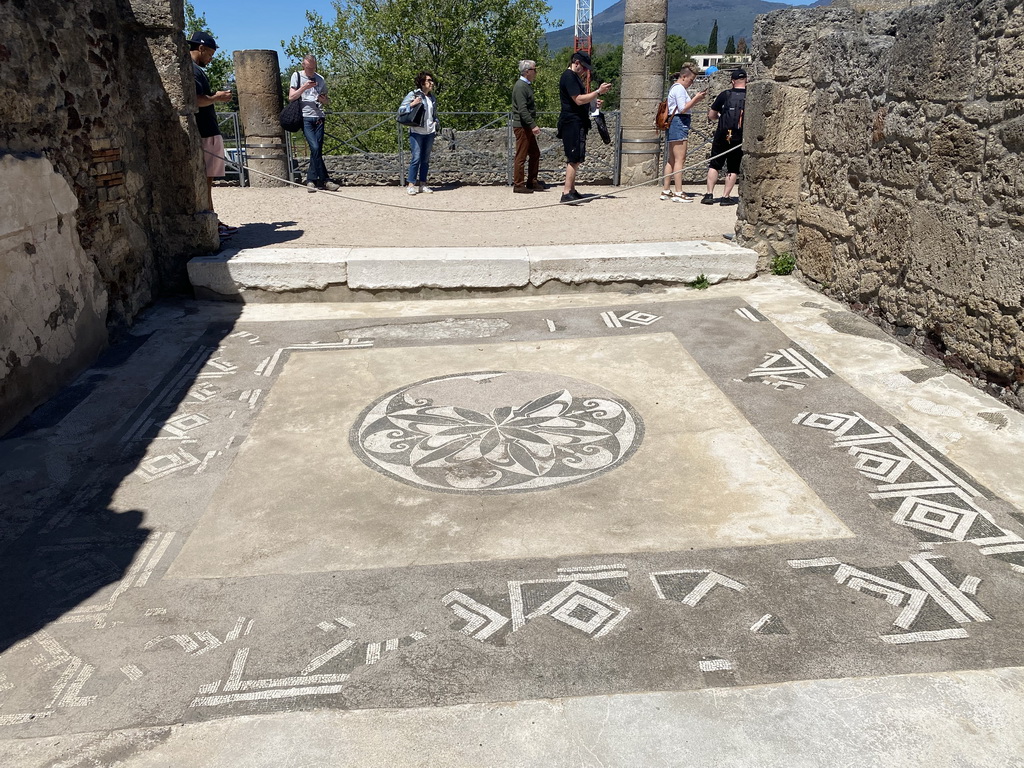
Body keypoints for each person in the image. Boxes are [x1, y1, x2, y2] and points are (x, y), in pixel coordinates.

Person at [189, 32, 235, 238]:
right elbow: (197, 100)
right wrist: (216, 97)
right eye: (210, 54)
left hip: (209, 131)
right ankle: (211, 223)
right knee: (206, 181)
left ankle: (213, 220)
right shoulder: (191, 70)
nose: (211, 58)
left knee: (209, 181)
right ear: (201, 48)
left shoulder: (197, 70)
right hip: (205, 132)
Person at [557, 52, 611, 205]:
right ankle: (566, 192)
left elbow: (581, 100)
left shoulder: (574, 78)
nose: (585, 71)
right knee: (573, 158)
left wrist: (593, 101)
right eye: (584, 67)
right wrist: (597, 92)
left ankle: (572, 190)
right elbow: (578, 100)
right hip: (571, 122)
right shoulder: (568, 76)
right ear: (577, 62)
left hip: (577, 121)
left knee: (577, 157)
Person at [288, 55, 339, 192]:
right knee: (315, 148)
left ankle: (312, 181)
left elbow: (327, 101)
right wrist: (304, 87)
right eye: (308, 67)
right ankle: (324, 180)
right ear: (303, 65)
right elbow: (291, 97)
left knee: (316, 151)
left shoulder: (320, 79)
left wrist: (323, 99)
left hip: (319, 116)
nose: (311, 70)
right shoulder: (296, 76)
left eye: (313, 67)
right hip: (305, 117)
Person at [660, 65, 707, 203]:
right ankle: (678, 192)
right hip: (679, 122)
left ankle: (666, 189)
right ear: (684, 77)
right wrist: (696, 99)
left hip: (673, 122)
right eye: (691, 80)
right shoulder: (679, 89)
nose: (691, 83)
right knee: (680, 159)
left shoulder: (674, 88)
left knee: (672, 159)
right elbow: (682, 108)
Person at [702, 69, 747, 207]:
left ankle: (709, 194)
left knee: (715, 164)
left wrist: (719, 119)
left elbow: (711, 115)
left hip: (722, 133)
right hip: (739, 135)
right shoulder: (750, 96)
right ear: (746, 80)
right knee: (733, 168)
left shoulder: (725, 94)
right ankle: (725, 196)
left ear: (732, 81)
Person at [398, 71, 439, 195]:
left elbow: (434, 114)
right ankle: (411, 184)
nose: (431, 83)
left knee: (425, 159)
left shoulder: (432, 98)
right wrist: (412, 104)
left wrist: (436, 122)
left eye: (432, 81)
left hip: (429, 131)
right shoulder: (414, 94)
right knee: (416, 157)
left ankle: (423, 184)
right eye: (429, 81)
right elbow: (400, 110)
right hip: (416, 131)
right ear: (422, 83)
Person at [511, 60, 544, 194]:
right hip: (522, 126)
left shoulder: (525, 86)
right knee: (521, 156)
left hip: (526, 126)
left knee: (535, 153)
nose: (535, 72)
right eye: (534, 70)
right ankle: (518, 184)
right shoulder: (520, 87)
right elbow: (522, 109)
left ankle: (532, 181)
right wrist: (533, 125)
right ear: (527, 71)